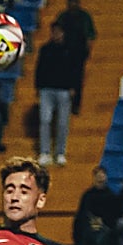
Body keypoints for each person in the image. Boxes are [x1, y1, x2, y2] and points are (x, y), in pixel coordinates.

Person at [36, 22, 82, 167]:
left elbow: (76, 71)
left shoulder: (71, 50)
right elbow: (39, 68)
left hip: (64, 90)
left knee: (62, 123)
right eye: (54, 32)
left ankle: (60, 152)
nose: (56, 34)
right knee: (45, 120)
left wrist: (74, 88)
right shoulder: (46, 49)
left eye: (59, 32)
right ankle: (45, 152)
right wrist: (38, 86)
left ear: (63, 33)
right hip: (47, 90)